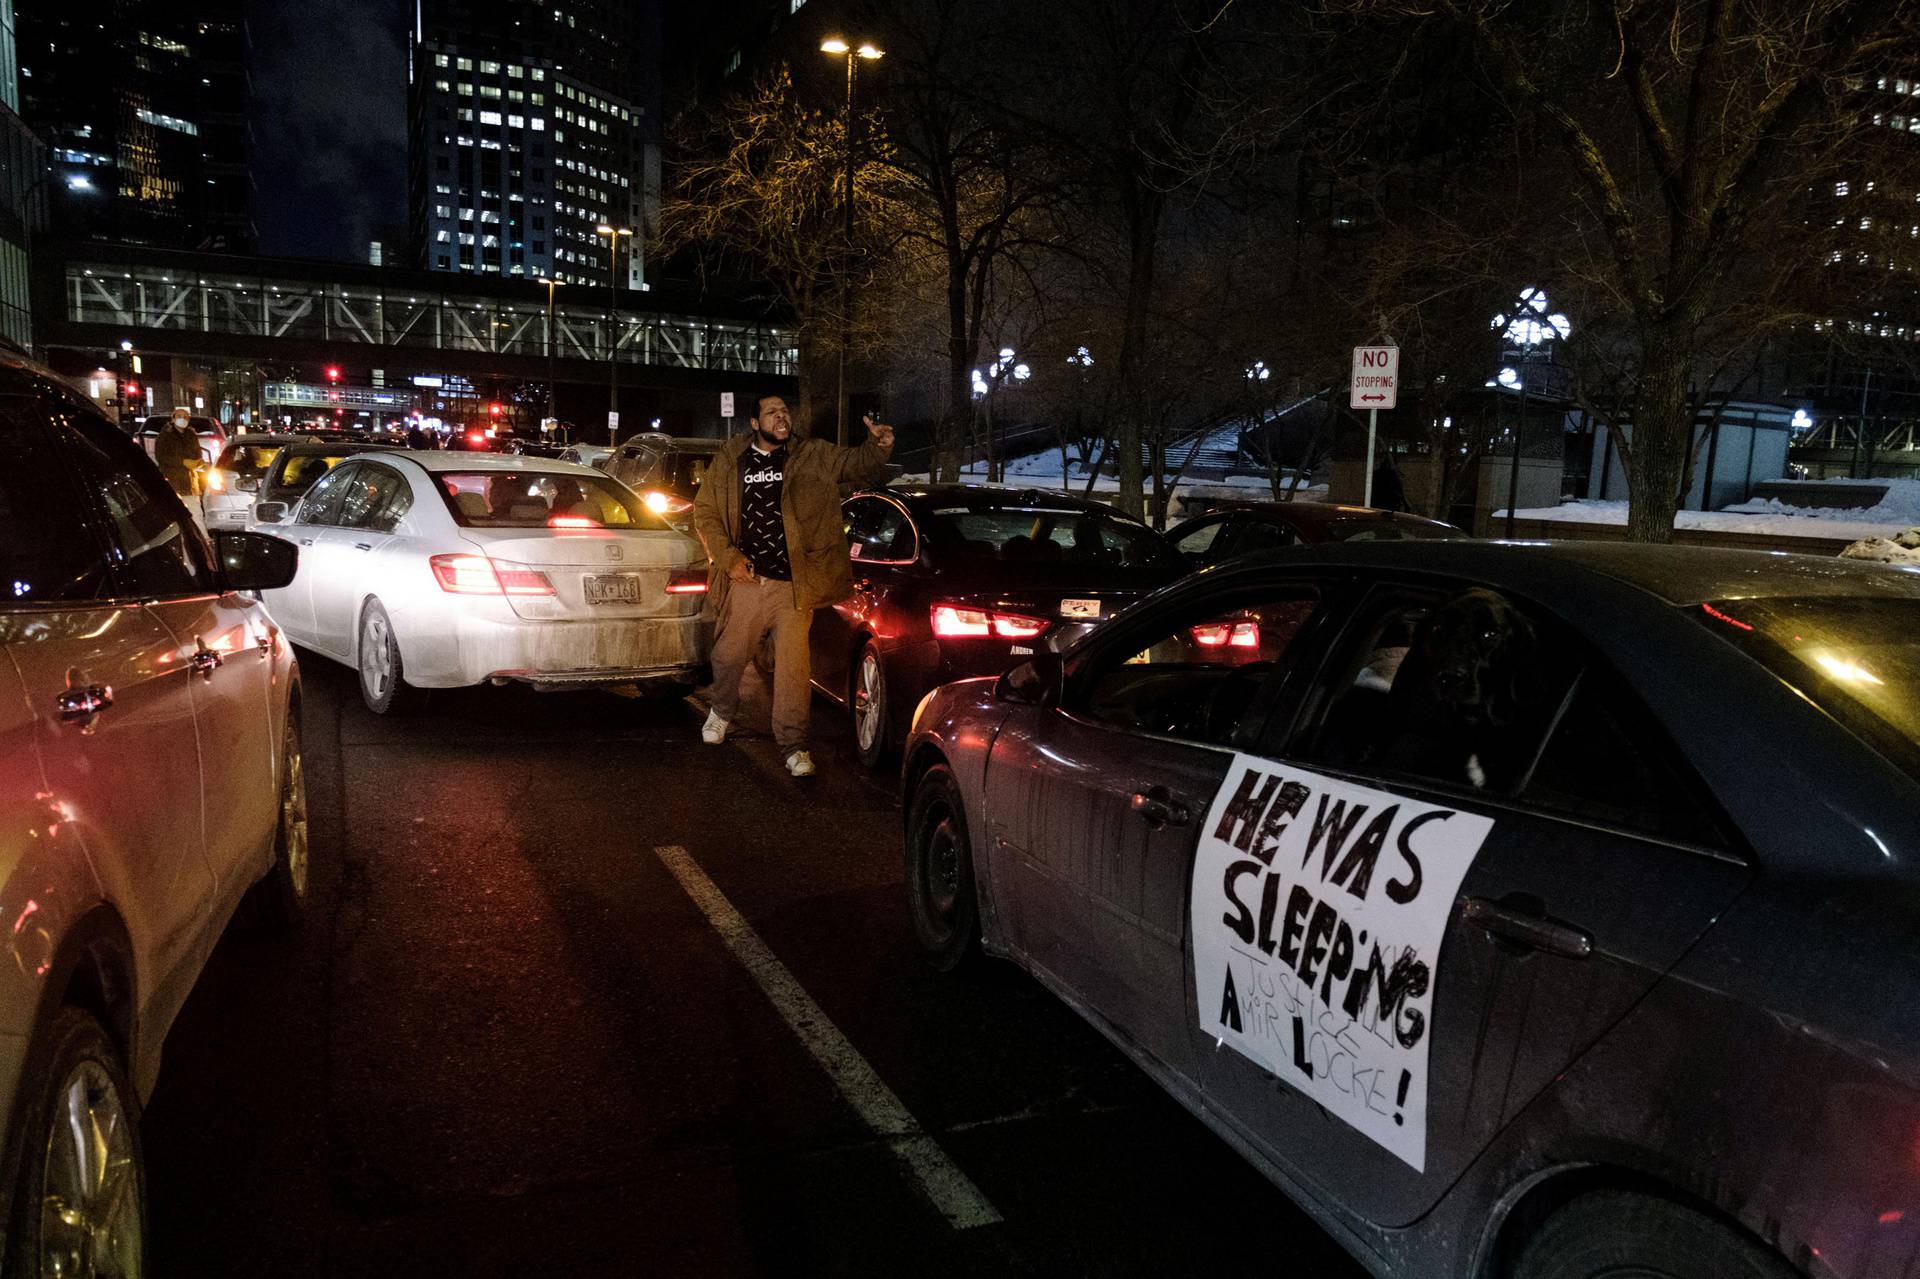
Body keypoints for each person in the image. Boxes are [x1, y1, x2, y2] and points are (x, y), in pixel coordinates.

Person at [693, 395, 894, 777]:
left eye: (785, 411)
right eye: (772, 412)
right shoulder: (731, 459)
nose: (781, 417)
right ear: (755, 423)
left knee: (793, 670)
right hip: (747, 580)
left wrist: (877, 446)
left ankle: (793, 745)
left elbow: (856, 463)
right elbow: (705, 512)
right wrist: (728, 558)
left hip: (794, 586)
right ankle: (721, 710)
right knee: (729, 655)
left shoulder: (813, 454)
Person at [155, 407, 202, 497]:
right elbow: (161, 457)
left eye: (185, 417)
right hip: (172, 477)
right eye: (179, 416)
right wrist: (182, 462)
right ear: (173, 419)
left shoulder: (191, 435)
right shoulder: (165, 435)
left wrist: (198, 462)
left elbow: (197, 452)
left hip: (189, 478)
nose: (182, 419)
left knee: (192, 504)